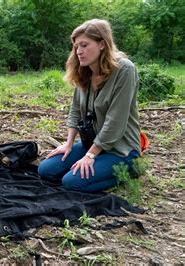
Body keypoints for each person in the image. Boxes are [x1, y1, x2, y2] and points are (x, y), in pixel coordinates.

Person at [37, 19, 141, 193]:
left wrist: (90, 156)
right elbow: (76, 110)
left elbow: (115, 121)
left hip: (120, 149)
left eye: (84, 45)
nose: (79, 51)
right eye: (76, 46)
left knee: (71, 182)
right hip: (91, 142)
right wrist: (68, 144)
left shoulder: (125, 70)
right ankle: (96, 164)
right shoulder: (84, 70)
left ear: (101, 44)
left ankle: (129, 170)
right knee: (46, 170)